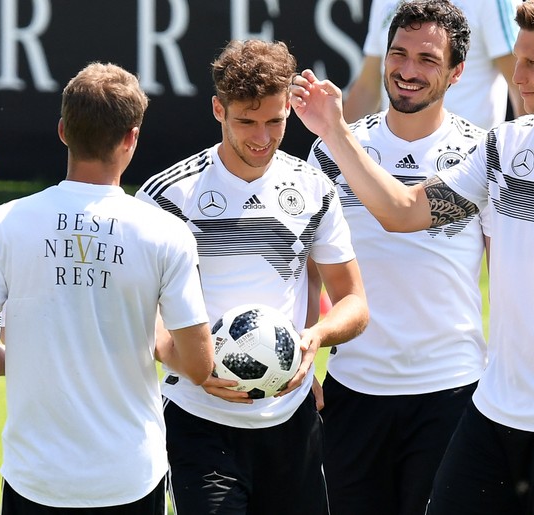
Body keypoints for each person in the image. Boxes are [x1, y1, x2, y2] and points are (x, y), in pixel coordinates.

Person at [289, 0, 534, 512]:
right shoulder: (504, 148)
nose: (516, 77)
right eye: (516, 60)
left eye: (533, 64)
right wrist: (335, 131)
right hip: (492, 415)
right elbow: (403, 211)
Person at [0, 62, 214, 513]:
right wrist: (154, 336)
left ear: (62, 131)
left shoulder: (3, 224)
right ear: (132, 137)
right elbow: (197, 364)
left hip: (35, 478)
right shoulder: (166, 233)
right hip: (130, 476)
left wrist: (39, 363)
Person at [136, 39, 368, 514]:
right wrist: (184, 360)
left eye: (276, 121)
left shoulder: (313, 188)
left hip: (291, 421)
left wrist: (313, 338)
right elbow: (133, 315)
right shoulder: (168, 196)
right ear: (218, 109)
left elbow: (354, 303)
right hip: (198, 421)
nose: (262, 137)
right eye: (246, 121)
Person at [306, 2, 487, 513]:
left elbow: (510, 273)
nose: (408, 71)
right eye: (399, 54)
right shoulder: (328, 152)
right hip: (352, 391)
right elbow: (307, 269)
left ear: (456, 73)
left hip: (451, 392)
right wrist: (302, 368)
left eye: (428, 59)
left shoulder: (482, 154)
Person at [344, 0, 526, 128]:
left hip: (471, 169)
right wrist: (333, 147)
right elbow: (368, 87)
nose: (408, 74)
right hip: (391, 164)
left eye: (428, 59)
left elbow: (523, 83)